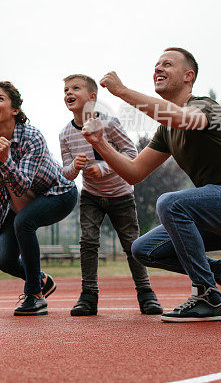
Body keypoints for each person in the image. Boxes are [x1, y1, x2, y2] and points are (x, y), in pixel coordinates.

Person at [81, 47, 221, 322]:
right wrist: (100, 143)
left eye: (167, 64)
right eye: (156, 64)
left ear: (188, 76)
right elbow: (135, 172)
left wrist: (122, 91)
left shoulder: (206, 106)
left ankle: (207, 295)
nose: (158, 68)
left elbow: (183, 119)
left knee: (170, 203)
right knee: (143, 249)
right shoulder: (166, 130)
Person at [0, 81, 78, 316]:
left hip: (58, 194)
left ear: (15, 110)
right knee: (4, 260)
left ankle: (35, 295)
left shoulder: (32, 137)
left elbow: (22, 185)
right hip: (16, 204)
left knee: (24, 221)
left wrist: (5, 160)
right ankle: (42, 280)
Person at [59, 74, 162, 316]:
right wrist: (75, 166)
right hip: (91, 196)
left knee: (132, 245)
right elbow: (66, 173)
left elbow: (131, 152)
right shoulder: (65, 134)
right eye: (65, 90)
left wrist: (103, 167)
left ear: (92, 97)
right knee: (88, 243)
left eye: (75, 88)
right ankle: (88, 296)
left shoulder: (110, 123)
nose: (68, 93)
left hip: (121, 194)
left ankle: (146, 293)